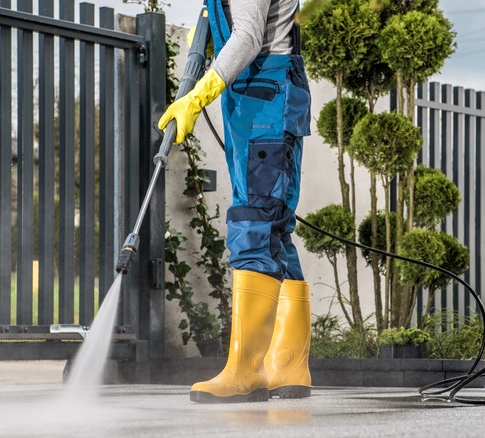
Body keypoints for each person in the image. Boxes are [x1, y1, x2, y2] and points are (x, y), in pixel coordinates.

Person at [158, 0, 312, 404]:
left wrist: (199, 94)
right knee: (276, 230)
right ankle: (288, 365)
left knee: (252, 223)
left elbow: (246, 37)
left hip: (264, 100)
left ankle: (245, 371)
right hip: (263, 98)